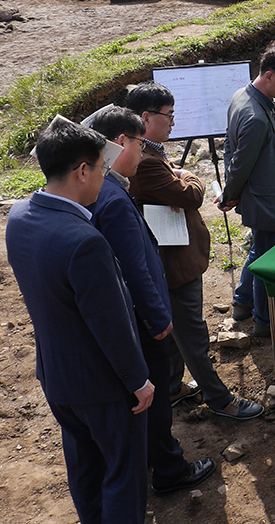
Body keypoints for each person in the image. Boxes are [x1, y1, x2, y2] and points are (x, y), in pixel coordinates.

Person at [6, 118, 154, 524]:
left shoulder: (19, 216)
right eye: (102, 169)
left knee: (85, 468)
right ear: (82, 170)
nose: (105, 177)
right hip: (103, 385)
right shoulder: (84, 241)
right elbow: (110, 323)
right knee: (124, 475)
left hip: (57, 377)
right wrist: (138, 382)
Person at [88, 106, 217, 496]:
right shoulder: (111, 198)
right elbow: (135, 268)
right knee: (156, 395)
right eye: (139, 147)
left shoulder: (105, 187)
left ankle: (153, 457)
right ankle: (168, 466)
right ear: (120, 142)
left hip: (134, 317)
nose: (145, 156)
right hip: (147, 321)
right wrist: (160, 320)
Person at [127, 82, 264, 420]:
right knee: (193, 336)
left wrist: (178, 175)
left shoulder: (149, 152)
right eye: (169, 116)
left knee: (175, 333)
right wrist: (190, 176)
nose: (174, 122)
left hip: (174, 260)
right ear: (146, 117)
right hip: (173, 265)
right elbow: (191, 195)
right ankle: (220, 400)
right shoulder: (144, 161)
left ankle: (172, 387)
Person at [220, 38, 275, 338]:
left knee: (258, 251)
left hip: (260, 197)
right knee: (267, 262)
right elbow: (241, 163)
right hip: (267, 202)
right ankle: (266, 322)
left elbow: (231, 150)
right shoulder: (256, 116)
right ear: (269, 75)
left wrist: (232, 192)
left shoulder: (241, 97)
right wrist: (229, 195)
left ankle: (243, 303)